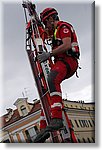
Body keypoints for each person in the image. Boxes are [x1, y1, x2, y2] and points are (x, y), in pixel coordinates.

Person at [34, 7, 80, 143]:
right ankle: (44, 128)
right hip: (61, 62)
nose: (45, 26)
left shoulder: (63, 26)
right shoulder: (54, 31)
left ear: (50, 19)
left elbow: (66, 45)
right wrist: (35, 20)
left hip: (68, 61)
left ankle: (57, 119)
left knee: (52, 79)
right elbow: (42, 34)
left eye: (45, 22)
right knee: (48, 92)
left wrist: (48, 54)